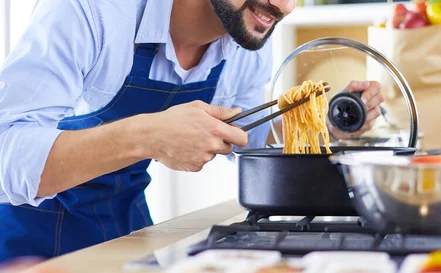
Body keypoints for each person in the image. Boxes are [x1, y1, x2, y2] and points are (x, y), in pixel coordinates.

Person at [0, 0, 386, 262]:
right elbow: (6, 152)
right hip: (28, 239)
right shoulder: (90, 10)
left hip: (126, 225)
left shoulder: (244, 38)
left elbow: (247, 132)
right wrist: (147, 136)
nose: (284, 6)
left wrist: (330, 121)